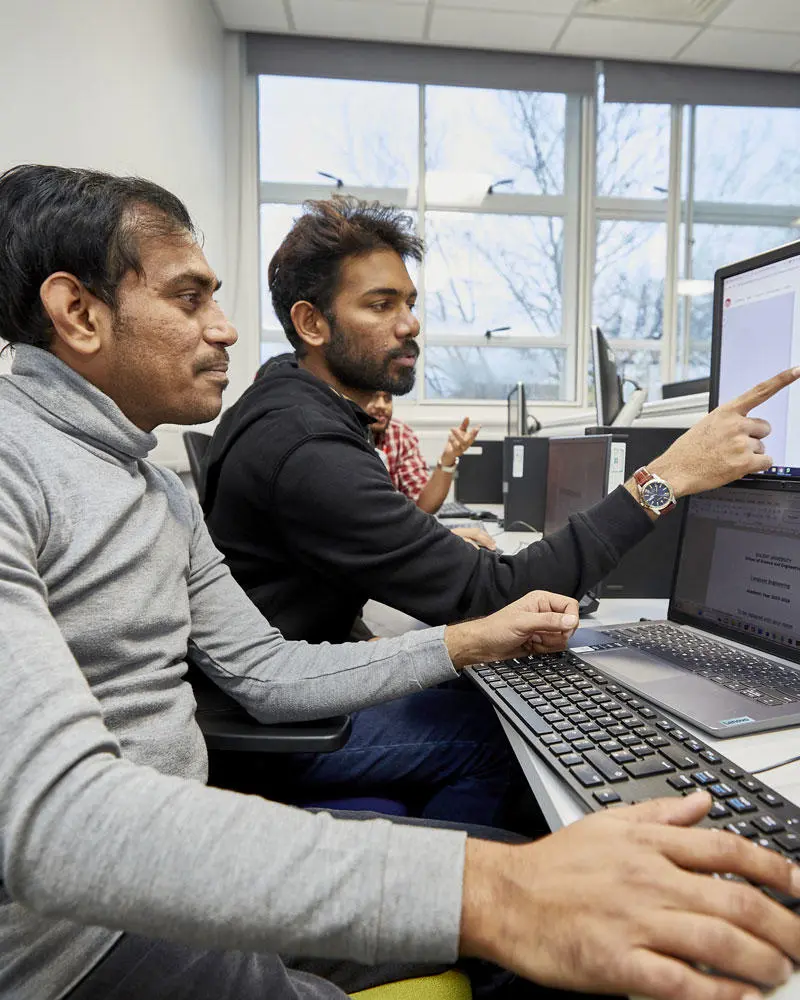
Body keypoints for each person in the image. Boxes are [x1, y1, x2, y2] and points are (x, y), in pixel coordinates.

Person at [3, 164, 800, 1000]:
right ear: (79, 313)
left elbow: (265, 671)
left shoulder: (153, 486)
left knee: (562, 897)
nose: (227, 329)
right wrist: (497, 892)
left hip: (173, 871)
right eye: (190, 298)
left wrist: (467, 641)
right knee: (536, 891)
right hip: (79, 953)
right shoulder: (19, 468)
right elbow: (55, 825)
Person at [202, 196, 794, 648]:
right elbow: (495, 595)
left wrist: (428, 546)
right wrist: (665, 477)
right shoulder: (307, 443)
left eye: (410, 303)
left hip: (314, 674)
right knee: (535, 739)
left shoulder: (289, 403)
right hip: (305, 731)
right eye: (381, 305)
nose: (409, 324)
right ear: (312, 324)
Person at [365, 389, 495, 549]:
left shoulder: (400, 434)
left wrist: (448, 458)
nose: (381, 405)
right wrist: (440, 536)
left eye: (387, 398)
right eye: (373, 396)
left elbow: (423, 507)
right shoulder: (347, 437)